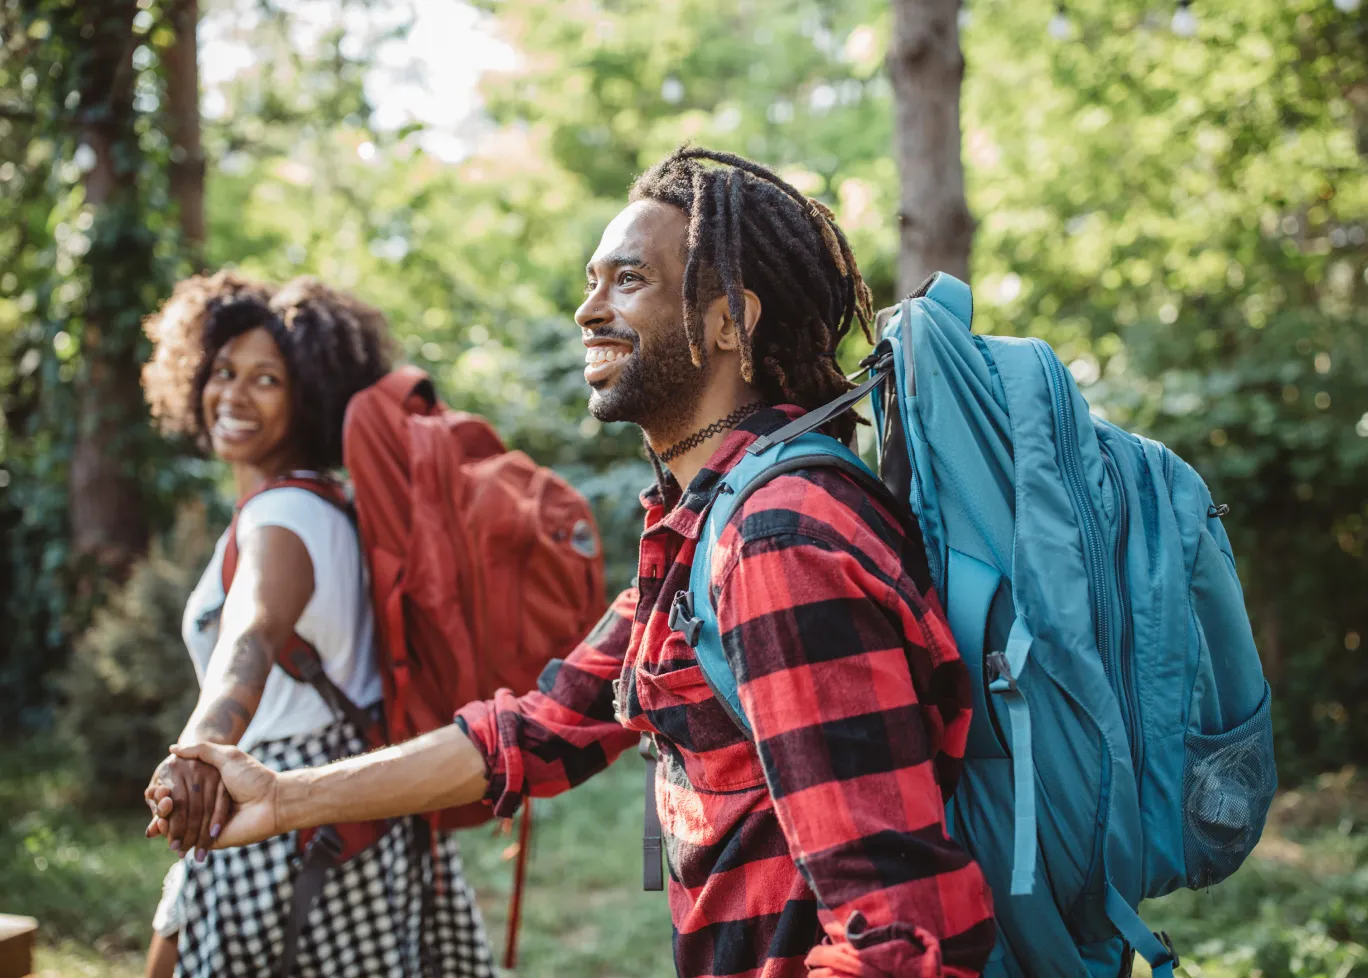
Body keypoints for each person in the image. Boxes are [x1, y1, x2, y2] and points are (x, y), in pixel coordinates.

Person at [151, 149, 996, 978]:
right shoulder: (703, 530)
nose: (589, 310)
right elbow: (538, 730)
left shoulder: (777, 540)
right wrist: (283, 797)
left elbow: (899, 936)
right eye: (591, 281)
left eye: (628, 281)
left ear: (729, 321)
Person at [138, 272, 495, 978]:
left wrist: (198, 749)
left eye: (266, 379)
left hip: (286, 811)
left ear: (310, 394)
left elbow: (253, 636)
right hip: (347, 807)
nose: (233, 394)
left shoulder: (283, 517)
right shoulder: (320, 507)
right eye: (222, 371)